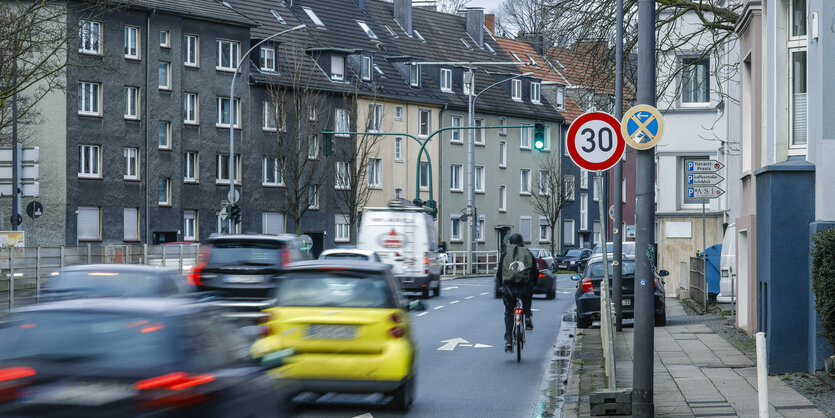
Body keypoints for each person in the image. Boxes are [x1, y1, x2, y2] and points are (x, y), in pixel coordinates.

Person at [496, 233, 537, 353]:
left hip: (509, 289)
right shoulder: (528, 253)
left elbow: (499, 273)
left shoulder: (505, 255)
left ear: (510, 243)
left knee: (509, 312)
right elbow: (534, 271)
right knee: (527, 297)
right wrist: (534, 283)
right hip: (525, 287)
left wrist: (500, 286)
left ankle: (509, 340)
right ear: (521, 242)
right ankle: (528, 316)